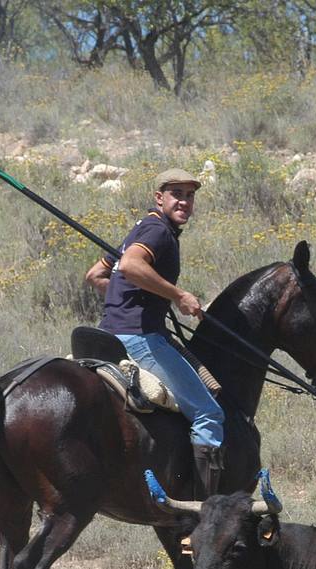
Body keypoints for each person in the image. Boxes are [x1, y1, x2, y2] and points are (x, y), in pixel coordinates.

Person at [85, 168, 225, 499]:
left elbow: (95, 275)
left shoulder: (140, 229)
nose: (185, 201)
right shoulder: (158, 231)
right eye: (177, 194)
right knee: (208, 414)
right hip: (139, 337)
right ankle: (208, 514)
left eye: (190, 195)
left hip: (109, 334)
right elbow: (132, 267)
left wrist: (130, 297)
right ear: (159, 197)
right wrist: (177, 296)